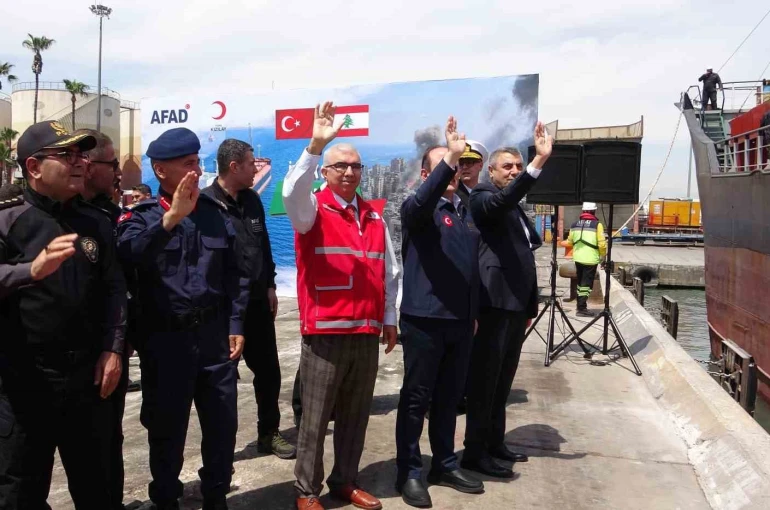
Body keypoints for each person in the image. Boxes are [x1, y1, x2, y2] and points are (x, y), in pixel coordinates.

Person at [116, 127, 250, 510]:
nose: (198, 170)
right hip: (166, 343)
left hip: (214, 340)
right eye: (188, 163)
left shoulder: (214, 213)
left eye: (197, 162)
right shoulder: (141, 217)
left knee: (222, 428)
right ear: (161, 171)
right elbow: (128, 256)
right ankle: (166, 500)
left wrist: (236, 323)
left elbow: (237, 274)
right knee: (166, 431)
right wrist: (171, 219)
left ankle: (215, 497)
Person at [0, 121, 127, 509]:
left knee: (100, 489)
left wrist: (113, 349)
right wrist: (30, 271)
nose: (79, 162)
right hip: (24, 381)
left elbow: (114, 290)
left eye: (80, 154)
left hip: (88, 380)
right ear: (34, 167)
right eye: (66, 155)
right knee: (19, 493)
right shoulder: (8, 220)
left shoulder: (95, 221)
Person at [283, 101, 400, 510]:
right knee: (315, 419)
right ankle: (306, 491)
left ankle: (345, 481)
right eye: (340, 166)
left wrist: (389, 318)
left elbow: (390, 271)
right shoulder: (311, 209)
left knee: (355, 416)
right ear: (325, 172)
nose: (349, 172)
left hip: (365, 333)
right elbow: (290, 192)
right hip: (325, 334)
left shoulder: (374, 217)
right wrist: (315, 146)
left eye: (355, 166)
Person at [395, 117, 483, 508]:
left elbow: (470, 268)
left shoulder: (464, 210)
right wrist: (449, 156)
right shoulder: (417, 208)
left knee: (449, 399)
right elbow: (422, 200)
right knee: (417, 399)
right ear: (426, 174)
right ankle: (410, 472)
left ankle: (444, 463)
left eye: (458, 164)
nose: (455, 169)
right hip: (425, 321)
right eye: (447, 164)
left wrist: (472, 313)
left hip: (460, 322)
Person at [463, 127, 552, 478]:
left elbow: (523, 254)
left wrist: (529, 306)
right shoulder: (483, 197)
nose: (514, 171)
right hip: (494, 306)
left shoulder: (513, 207)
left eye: (518, 165)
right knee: (485, 383)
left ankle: (494, 442)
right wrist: (537, 162)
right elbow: (501, 202)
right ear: (491, 171)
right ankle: (475, 453)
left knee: (502, 382)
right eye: (507, 167)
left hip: (514, 307)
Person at [202, 139, 296, 460]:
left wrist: (270, 284)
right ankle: (220, 452)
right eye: (251, 163)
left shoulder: (253, 200)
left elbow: (263, 245)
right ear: (234, 167)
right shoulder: (205, 205)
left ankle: (269, 433)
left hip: (257, 303)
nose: (257, 168)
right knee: (222, 382)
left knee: (269, 372)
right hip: (223, 310)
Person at [77, 128, 141, 510]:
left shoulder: (110, 217)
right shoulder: (39, 217)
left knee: (107, 443)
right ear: (88, 166)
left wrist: (118, 343)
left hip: (108, 352)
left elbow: (121, 285)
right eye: (112, 164)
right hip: (57, 361)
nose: (118, 172)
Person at [561, 202, 607, 317]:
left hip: (578, 258)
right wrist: (603, 256)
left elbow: (570, 242)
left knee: (580, 283)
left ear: (583, 211)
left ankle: (579, 306)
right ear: (594, 211)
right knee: (586, 285)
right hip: (590, 259)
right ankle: (581, 309)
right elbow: (602, 244)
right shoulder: (597, 225)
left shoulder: (574, 224)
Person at [455, 140, 487, 209]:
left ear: (480, 165)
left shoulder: (486, 193)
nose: (464, 167)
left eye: (469, 162)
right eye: (461, 163)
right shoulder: (453, 194)